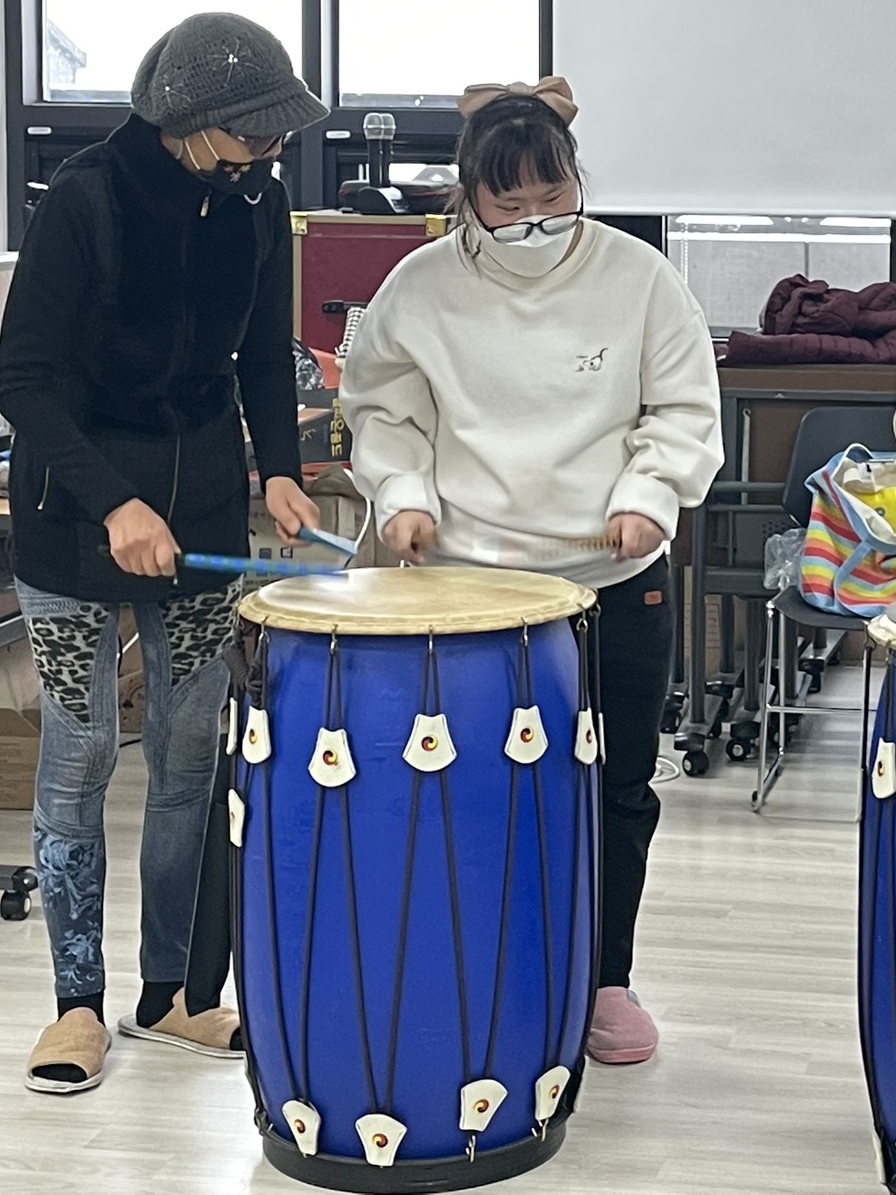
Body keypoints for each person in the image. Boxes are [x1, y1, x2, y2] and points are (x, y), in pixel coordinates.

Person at [338, 77, 722, 1066]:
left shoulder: (639, 278)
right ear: (466, 196)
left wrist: (650, 493)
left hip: (612, 574)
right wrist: (403, 494)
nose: (535, 221)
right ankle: (482, 968)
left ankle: (605, 979)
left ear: (577, 180)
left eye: (554, 197)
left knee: (618, 785)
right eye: (508, 205)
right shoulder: (419, 287)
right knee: (468, 786)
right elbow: (383, 410)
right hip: (468, 585)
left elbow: (682, 407)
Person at [0, 11, 327, 1095]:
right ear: (188, 122)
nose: (270, 150)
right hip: (74, 515)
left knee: (188, 758)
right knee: (81, 755)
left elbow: (263, 357)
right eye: (254, 132)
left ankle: (171, 992)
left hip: (202, 514)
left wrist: (279, 468)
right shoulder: (83, 201)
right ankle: (75, 1005)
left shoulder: (257, 201)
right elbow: (22, 381)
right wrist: (115, 504)